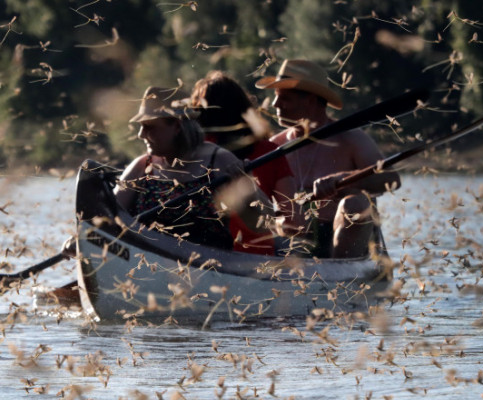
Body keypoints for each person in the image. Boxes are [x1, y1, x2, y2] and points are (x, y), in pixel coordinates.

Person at [255, 58, 401, 258]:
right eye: (275, 96)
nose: (275, 104)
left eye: (285, 98)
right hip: (299, 242)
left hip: (352, 242)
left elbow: (391, 180)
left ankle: (340, 278)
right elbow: (260, 209)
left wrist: (343, 183)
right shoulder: (275, 147)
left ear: (311, 100)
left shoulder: (352, 139)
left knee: (355, 204)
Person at [115, 85, 259, 250]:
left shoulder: (219, 160)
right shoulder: (141, 167)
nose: (141, 134)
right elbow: (107, 216)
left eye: (149, 126)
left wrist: (246, 185)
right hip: (149, 264)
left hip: (208, 266)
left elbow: (258, 224)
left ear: (177, 126)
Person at [189, 71, 294, 255]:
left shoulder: (195, 152)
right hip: (260, 257)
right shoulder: (271, 151)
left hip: (205, 255)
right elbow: (292, 220)